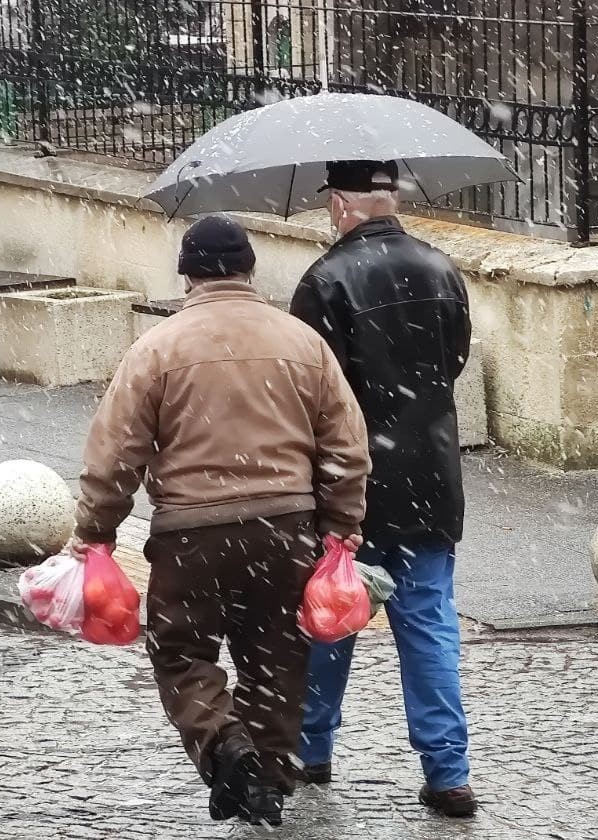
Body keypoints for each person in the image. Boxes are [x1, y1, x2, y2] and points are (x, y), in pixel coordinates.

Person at [70, 214, 371, 827]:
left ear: (187, 275)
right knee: (277, 657)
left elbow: (115, 453)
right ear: (250, 270)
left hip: (191, 535)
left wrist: (95, 531)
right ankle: (268, 779)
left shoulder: (156, 349)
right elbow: (347, 447)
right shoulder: (302, 343)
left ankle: (225, 746)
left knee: (180, 649)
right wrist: (340, 524)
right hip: (286, 529)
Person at [290, 160, 477, 818]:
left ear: (340, 204)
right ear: (390, 198)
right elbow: (453, 363)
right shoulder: (441, 269)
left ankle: (309, 750)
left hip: (353, 486)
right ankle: (449, 772)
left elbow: (310, 396)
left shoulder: (323, 282)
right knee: (427, 627)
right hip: (430, 478)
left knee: (331, 620)